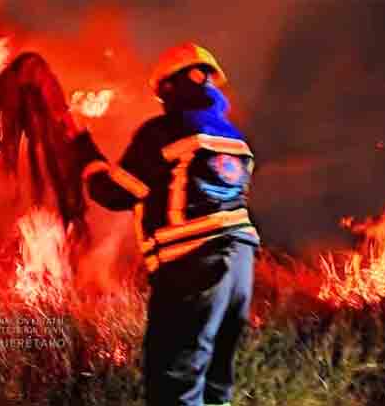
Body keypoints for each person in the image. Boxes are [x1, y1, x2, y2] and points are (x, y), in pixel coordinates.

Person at [68, 43, 259, 406]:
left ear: (170, 87)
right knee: (215, 385)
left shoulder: (165, 130)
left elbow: (116, 193)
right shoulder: (235, 138)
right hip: (240, 266)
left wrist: (83, 150)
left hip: (192, 265)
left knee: (175, 383)